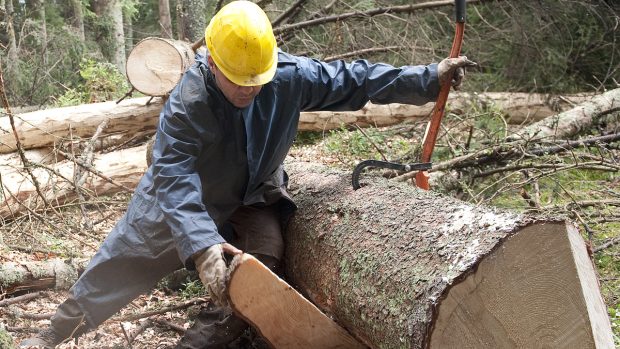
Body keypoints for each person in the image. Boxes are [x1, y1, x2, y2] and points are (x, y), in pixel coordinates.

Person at [20, 1, 475, 348]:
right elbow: (174, 174)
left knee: (261, 270)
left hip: (253, 193)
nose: (248, 88)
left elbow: (353, 79)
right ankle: (46, 339)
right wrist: (201, 247)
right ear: (212, 62)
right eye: (237, 79)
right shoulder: (189, 101)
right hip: (187, 199)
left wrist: (426, 77)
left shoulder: (288, 76)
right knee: (117, 269)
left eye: (256, 79)